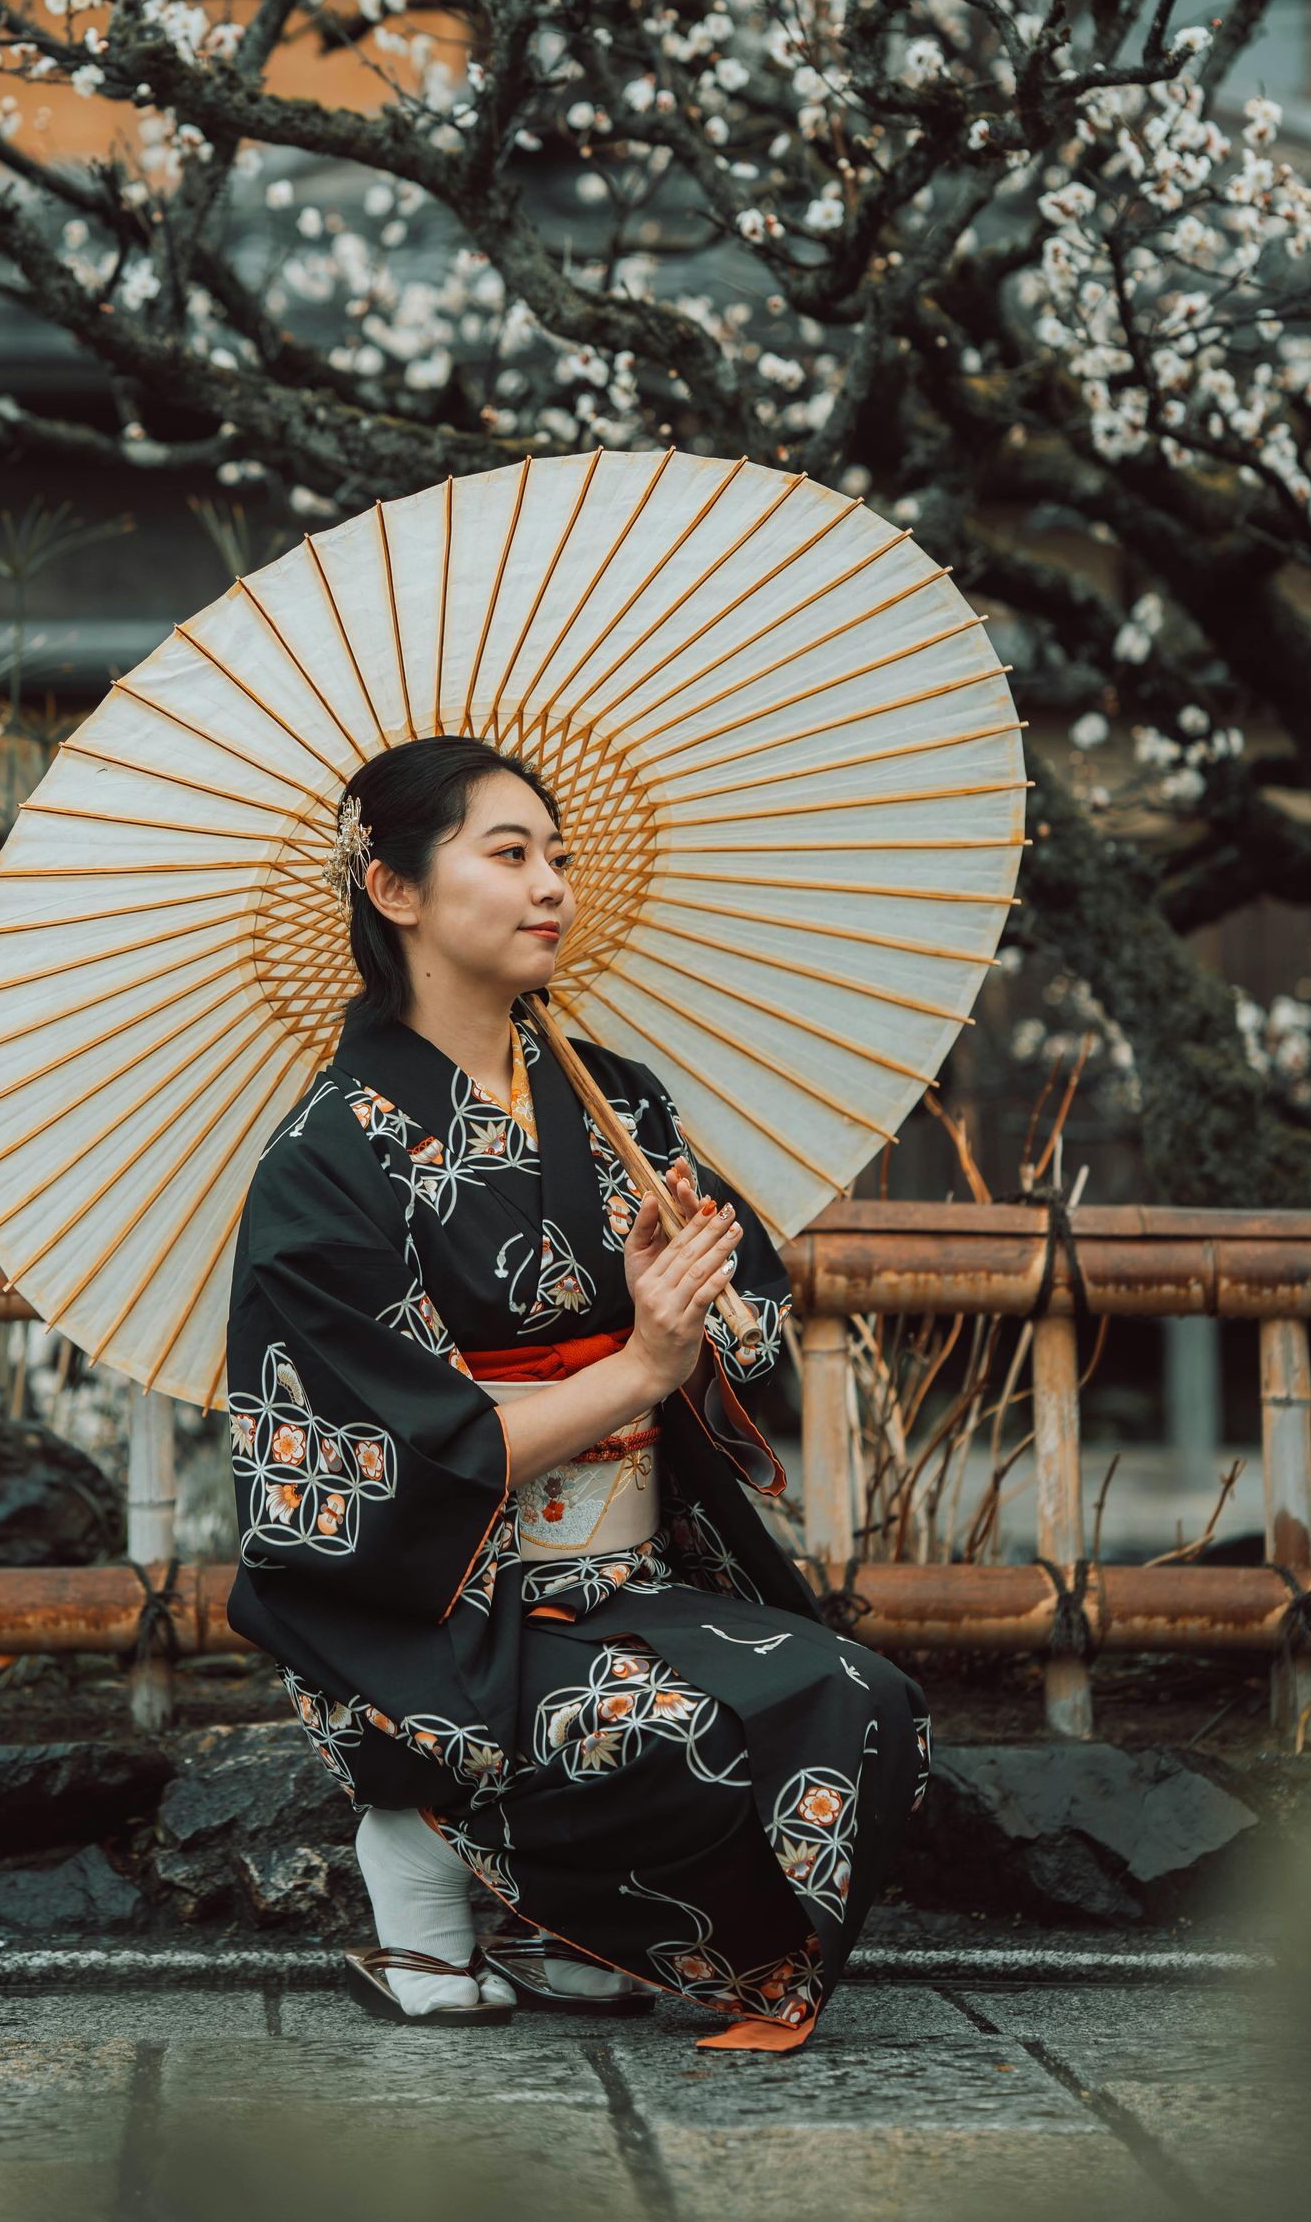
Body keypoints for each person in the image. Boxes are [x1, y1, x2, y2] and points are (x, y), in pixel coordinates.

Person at [223, 735, 928, 2047]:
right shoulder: (325, 1160)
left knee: (861, 1706)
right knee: (692, 1727)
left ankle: (575, 1912)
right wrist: (636, 1366)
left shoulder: (622, 1103)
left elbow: (749, 1329)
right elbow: (394, 1451)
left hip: (634, 1569)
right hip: (445, 1616)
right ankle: (422, 1827)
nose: (551, 884)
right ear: (395, 890)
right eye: (509, 854)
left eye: (560, 856)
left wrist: (694, 1302)